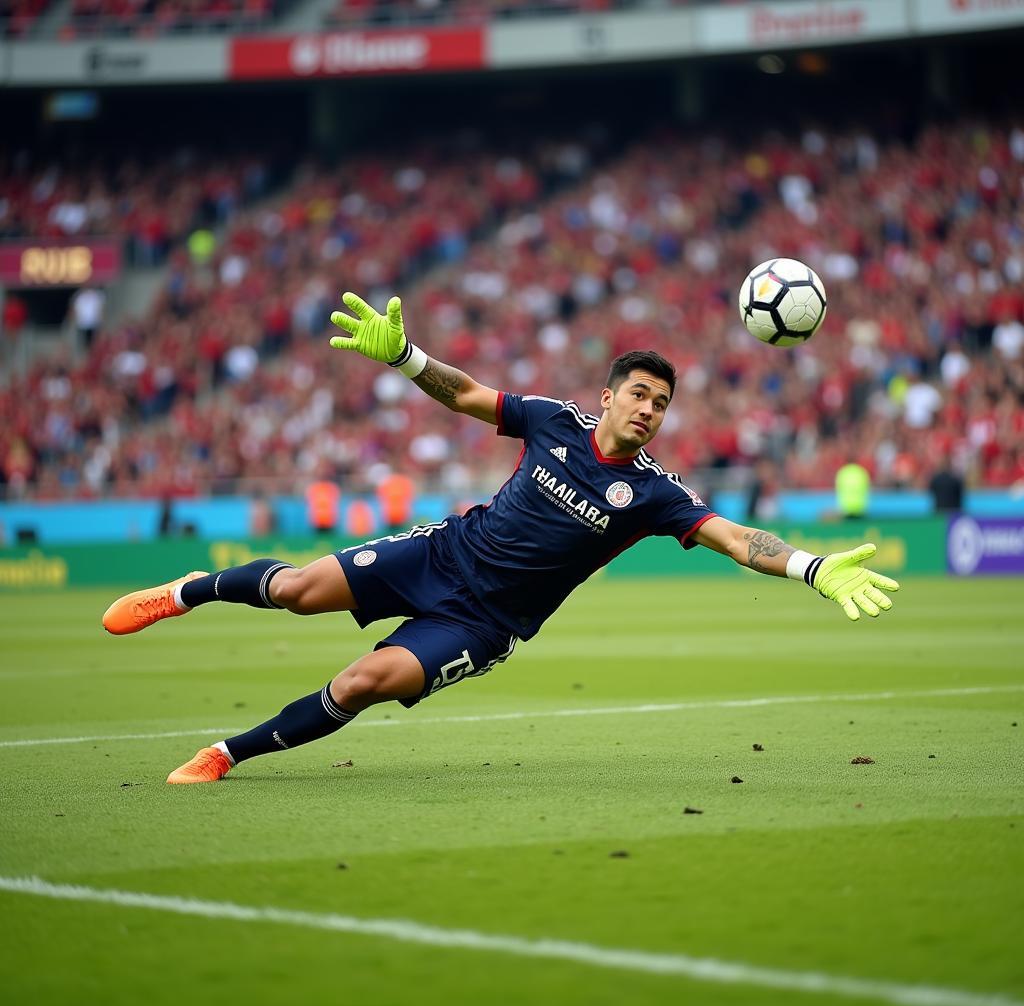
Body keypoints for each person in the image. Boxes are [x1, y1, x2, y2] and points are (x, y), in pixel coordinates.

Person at [102, 292, 901, 785]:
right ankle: (177, 594)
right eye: (639, 394)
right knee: (295, 590)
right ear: (608, 395)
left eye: (661, 403)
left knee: (363, 681)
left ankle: (223, 755)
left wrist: (810, 566)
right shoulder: (553, 421)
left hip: (483, 623)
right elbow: (469, 396)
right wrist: (409, 359)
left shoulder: (654, 493)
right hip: (442, 553)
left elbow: (733, 538)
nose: (649, 409)